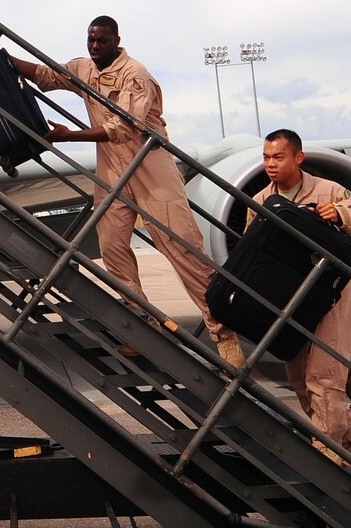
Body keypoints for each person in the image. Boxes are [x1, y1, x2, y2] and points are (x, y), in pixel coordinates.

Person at [12, 18, 223, 364]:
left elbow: (125, 127)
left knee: (180, 245)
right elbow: (46, 75)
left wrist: (70, 137)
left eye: (102, 41)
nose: (95, 46)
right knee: (112, 246)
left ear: (117, 41)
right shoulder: (84, 68)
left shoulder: (134, 73)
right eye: (91, 40)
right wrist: (2, 56)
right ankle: (145, 323)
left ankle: (221, 330)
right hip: (111, 169)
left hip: (149, 164)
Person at [255, 129, 351, 459]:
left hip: (330, 295)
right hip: (289, 296)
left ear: (298, 158)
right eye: (266, 157)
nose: (270, 164)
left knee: (324, 377)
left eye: (278, 157)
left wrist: (342, 215)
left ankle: (325, 453)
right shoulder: (259, 201)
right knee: (299, 378)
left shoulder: (330, 192)